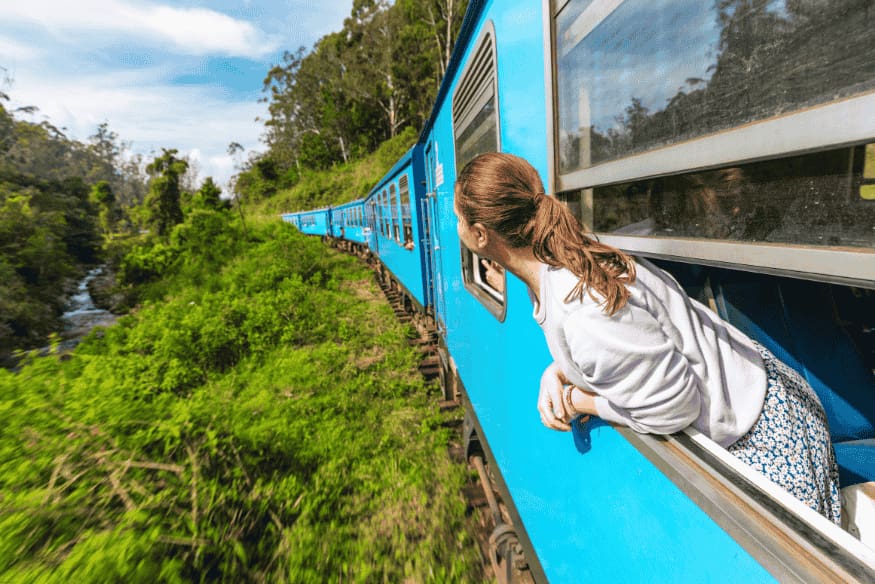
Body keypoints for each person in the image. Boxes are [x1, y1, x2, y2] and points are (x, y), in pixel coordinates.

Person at [453, 152, 841, 524]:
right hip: (759, 394)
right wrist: (558, 371)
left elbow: (673, 409)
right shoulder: (561, 261)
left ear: (480, 234)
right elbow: (631, 337)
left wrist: (578, 400)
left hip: (769, 437)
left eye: (458, 219)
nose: (456, 228)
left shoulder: (580, 312)